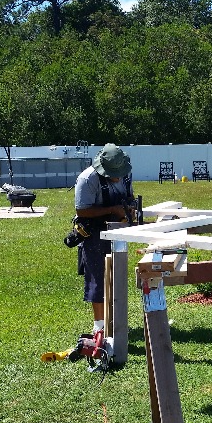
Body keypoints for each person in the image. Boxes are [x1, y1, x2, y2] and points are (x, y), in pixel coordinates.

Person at [73, 143, 135, 335]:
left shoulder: (126, 174)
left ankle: (115, 320)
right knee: (97, 280)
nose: (118, 177)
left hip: (119, 232)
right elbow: (81, 210)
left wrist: (129, 209)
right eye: (113, 173)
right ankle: (99, 326)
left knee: (117, 277)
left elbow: (130, 196)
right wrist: (111, 210)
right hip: (93, 233)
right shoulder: (87, 179)